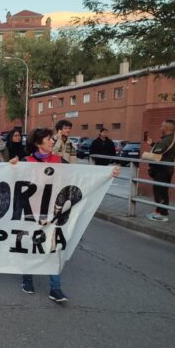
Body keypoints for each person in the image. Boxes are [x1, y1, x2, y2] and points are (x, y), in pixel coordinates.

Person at [20, 127, 118, 303]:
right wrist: (11, 166)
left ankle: (55, 288)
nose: (52, 141)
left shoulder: (59, 160)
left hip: (55, 213)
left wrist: (108, 173)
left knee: (54, 248)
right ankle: (27, 279)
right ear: (37, 143)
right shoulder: (25, 161)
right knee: (31, 246)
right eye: (49, 139)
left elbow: (81, 175)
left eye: (52, 138)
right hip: (32, 213)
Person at [146, 119, 175, 222]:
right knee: (162, 191)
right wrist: (152, 144)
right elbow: (163, 151)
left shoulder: (165, 140)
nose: (161, 128)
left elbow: (157, 152)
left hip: (162, 170)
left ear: (165, 128)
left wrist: (151, 150)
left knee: (160, 191)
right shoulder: (174, 138)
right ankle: (159, 211)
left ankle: (161, 214)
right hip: (166, 169)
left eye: (162, 126)